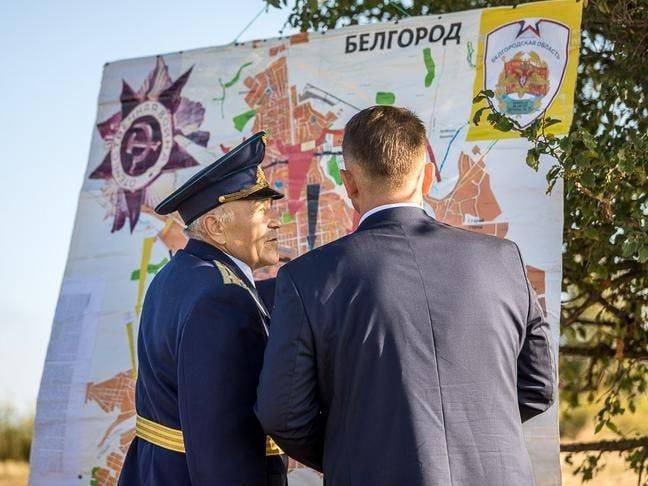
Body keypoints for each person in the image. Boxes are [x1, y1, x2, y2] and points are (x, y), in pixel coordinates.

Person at [255, 107, 556, 485]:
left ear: (348, 184)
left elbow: (282, 413)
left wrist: (354, 452)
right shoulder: (503, 260)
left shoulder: (308, 279)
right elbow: (538, 386)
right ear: (427, 176)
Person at [119, 132, 288, 486]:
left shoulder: (176, 277)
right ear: (215, 227)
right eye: (261, 210)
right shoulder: (222, 299)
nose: (275, 222)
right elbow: (225, 453)